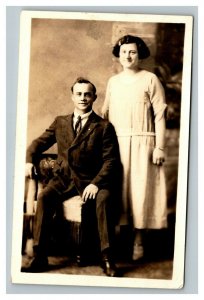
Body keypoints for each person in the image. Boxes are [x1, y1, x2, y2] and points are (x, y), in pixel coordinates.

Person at [24, 77, 121, 276]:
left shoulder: (103, 126)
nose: (83, 98)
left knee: (104, 199)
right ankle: (39, 256)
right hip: (64, 179)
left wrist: (96, 184)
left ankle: (107, 258)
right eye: (79, 94)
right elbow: (37, 144)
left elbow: (110, 161)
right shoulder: (60, 122)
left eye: (87, 94)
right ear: (72, 97)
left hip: (91, 180)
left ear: (94, 97)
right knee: (44, 197)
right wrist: (28, 160)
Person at [101, 35, 167, 261]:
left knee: (139, 192)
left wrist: (160, 147)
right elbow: (105, 115)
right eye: (124, 52)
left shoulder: (150, 79)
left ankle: (139, 240)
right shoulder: (113, 82)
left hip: (143, 144)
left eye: (132, 52)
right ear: (118, 55)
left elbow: (159, 115)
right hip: (117, 144)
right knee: (120, 192)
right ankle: (120, 241)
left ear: (139, 55)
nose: (128, 56)